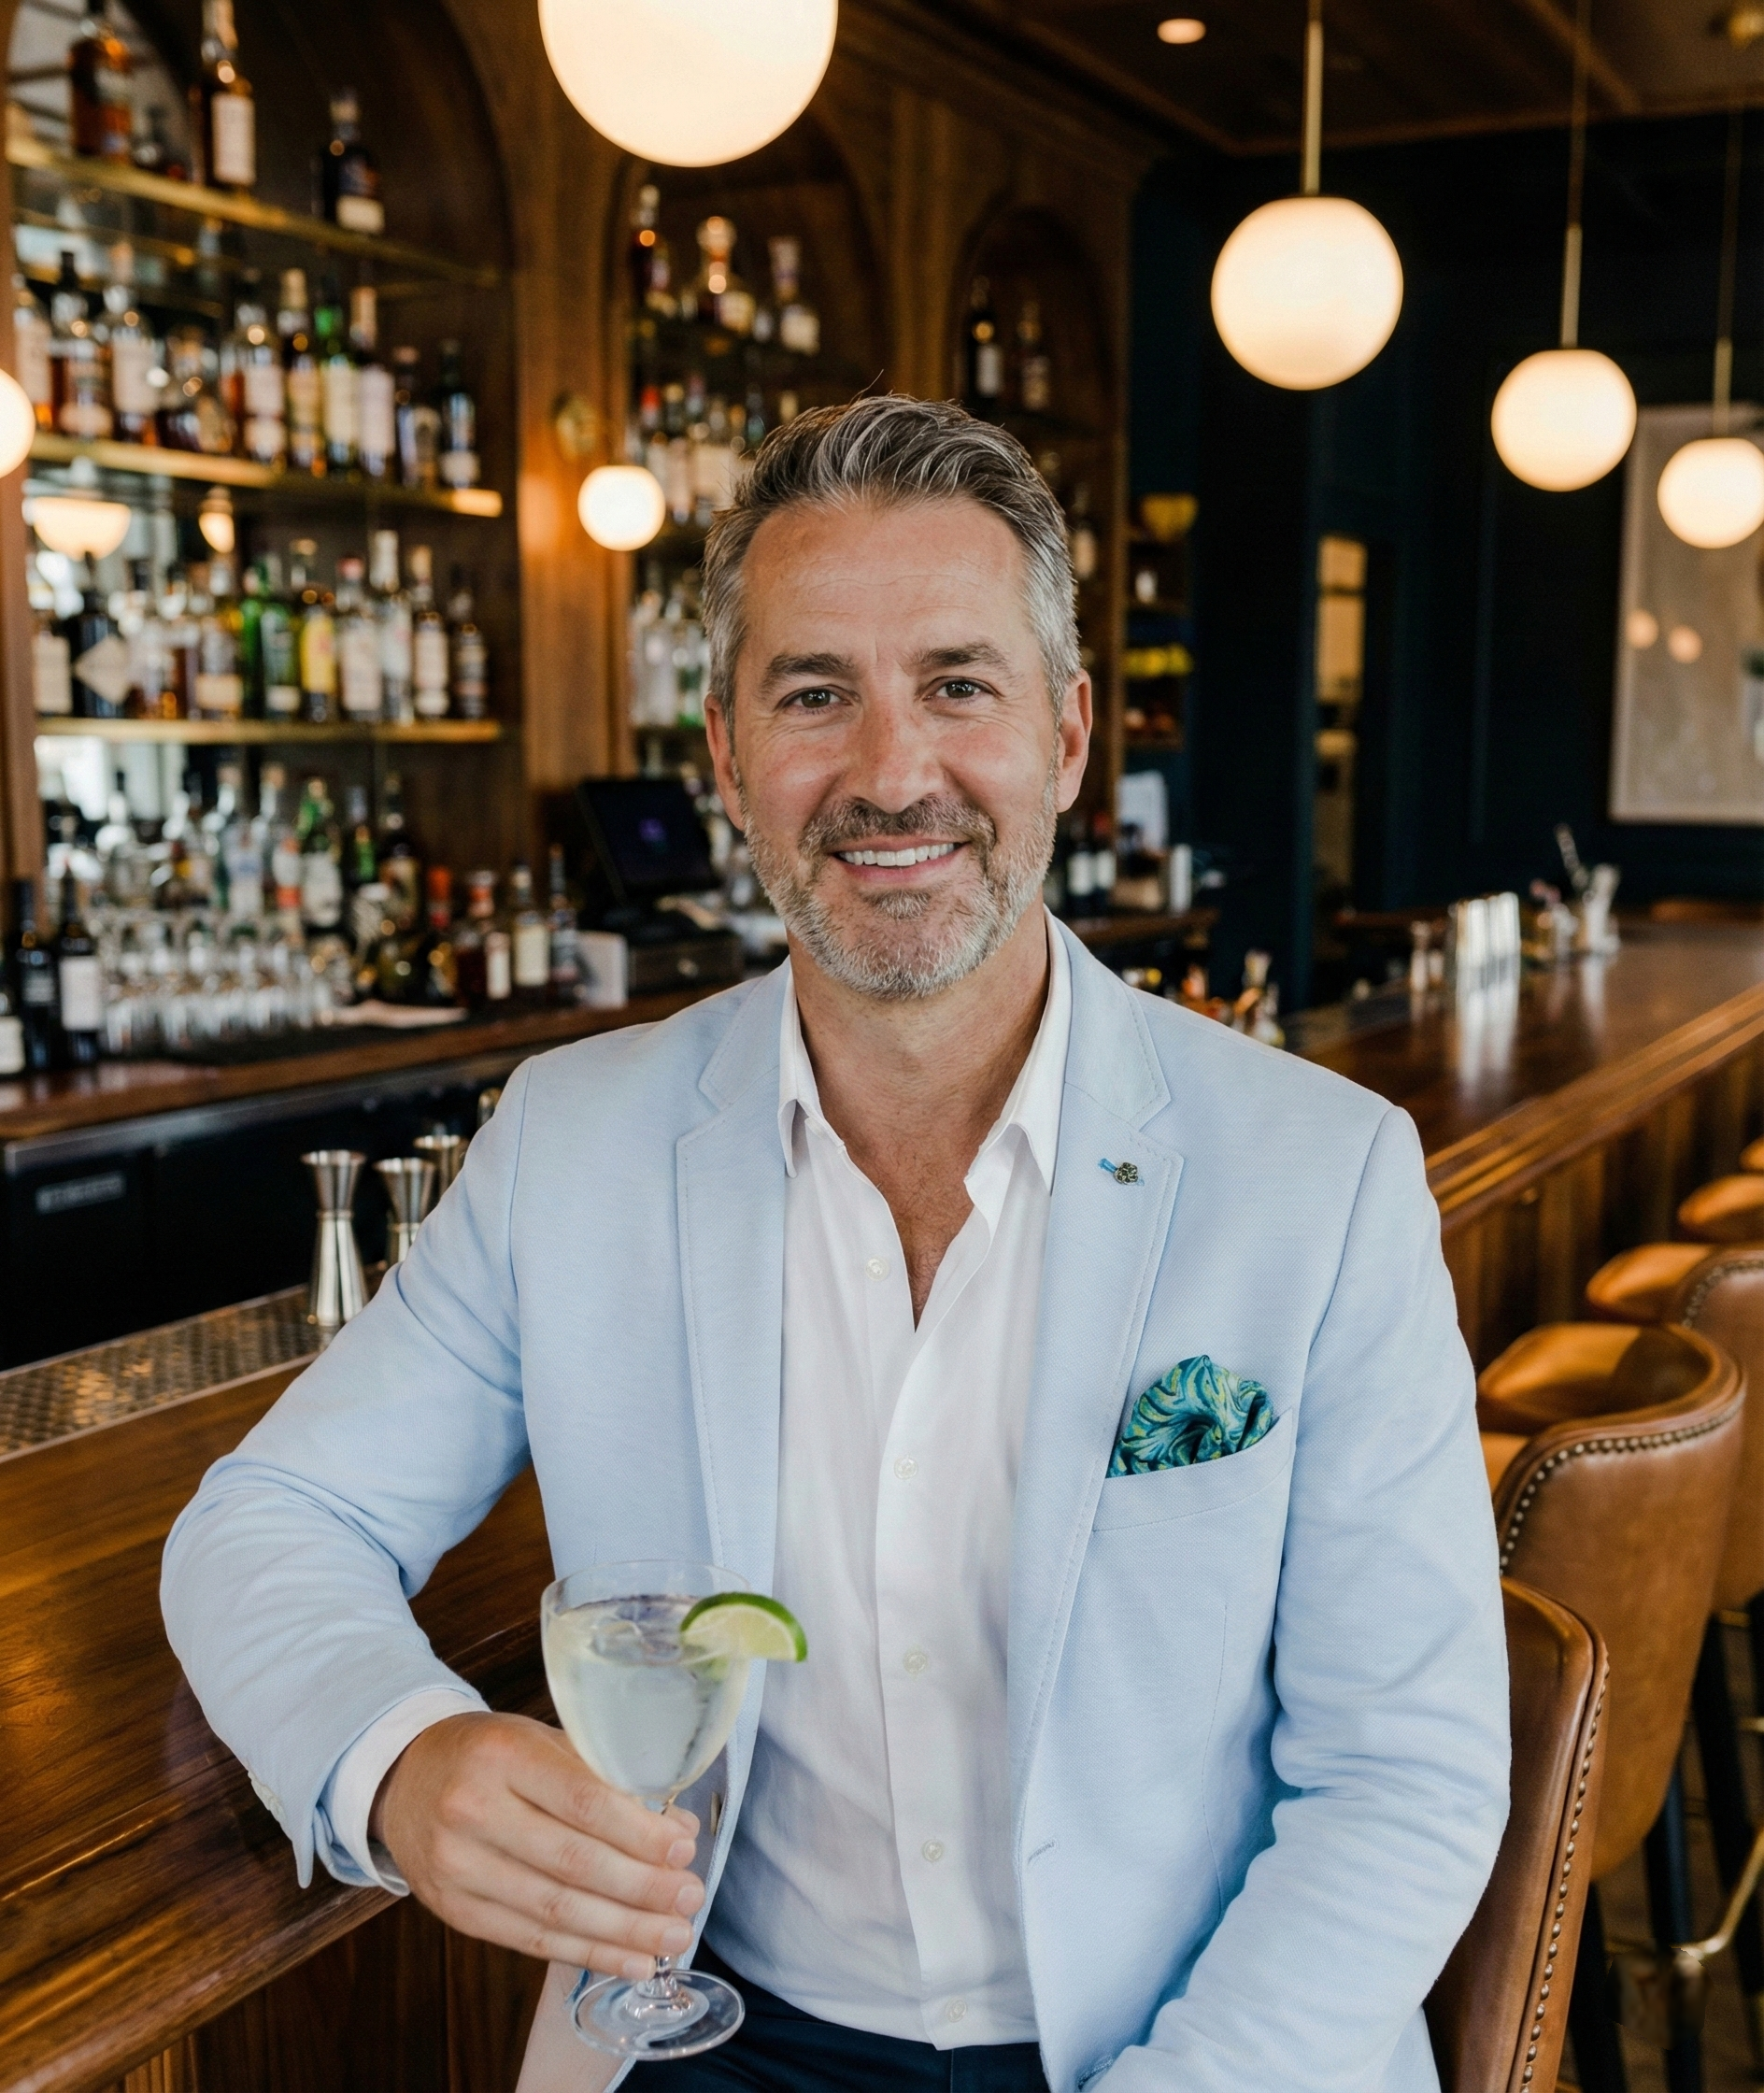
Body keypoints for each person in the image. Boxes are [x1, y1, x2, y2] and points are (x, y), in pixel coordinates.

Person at [163, 394, 1507, 2093]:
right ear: (726, 754)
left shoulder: (1323, 1179)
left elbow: (1407, 1774)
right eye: (816, 695)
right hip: (709, 2037)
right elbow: (270, 1520)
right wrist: (393, 1760)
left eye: (959, 684)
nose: (891, 773)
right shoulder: (572, 1139)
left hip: (1185, 2047)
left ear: (1068, 736)